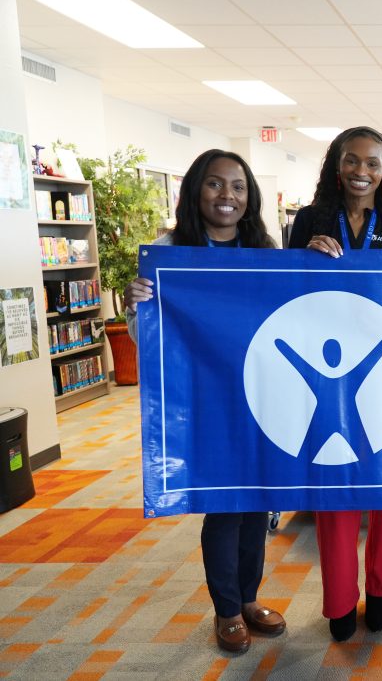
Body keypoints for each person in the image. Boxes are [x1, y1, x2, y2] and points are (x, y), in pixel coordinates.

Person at [123, 149, 284, 654]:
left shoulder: (263, 248)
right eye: (215, 185)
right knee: (222, 506)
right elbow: (149, 340)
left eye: (237, 187)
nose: (227, 196)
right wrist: (137, 308)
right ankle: (228, 610)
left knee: (256, 502)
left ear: (249, 196)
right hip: (204, 402)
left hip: (260, 398)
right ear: (195, 191)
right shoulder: (172, 251)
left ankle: (251, 597)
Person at [287, 126, 382, 641]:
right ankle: (341, 600)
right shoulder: (310, 221)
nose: (361, 171)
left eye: (373, 163)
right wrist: (306, 259)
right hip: (324, 359)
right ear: (336, 165)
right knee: (334, 495)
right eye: (352, 161)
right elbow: (287, 293)